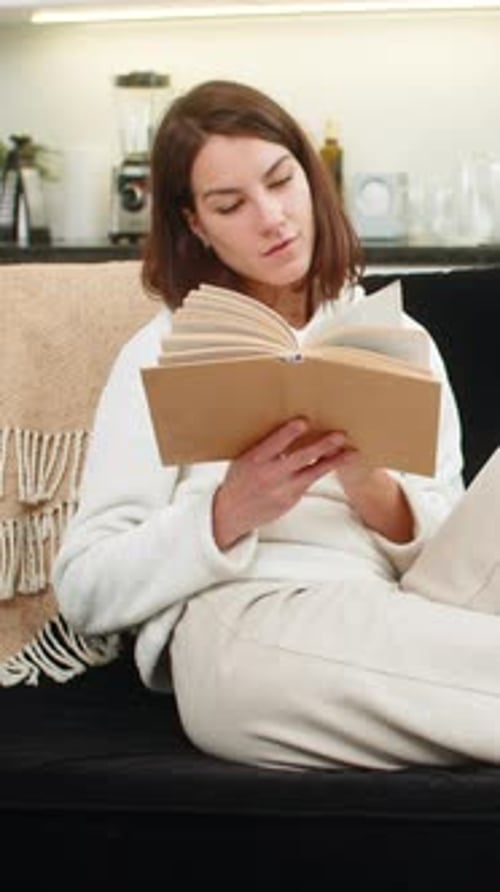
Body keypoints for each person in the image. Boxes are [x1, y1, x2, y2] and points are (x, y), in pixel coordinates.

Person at [53, 80, 500, 772]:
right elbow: (85, 588)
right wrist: (226, 512)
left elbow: (453, 557)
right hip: (248, 618)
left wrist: (372, 487)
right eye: (231, 205)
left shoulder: (398, 338)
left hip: (397, 605)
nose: (271, 217)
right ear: (196, 224)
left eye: (280, 181)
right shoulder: (162, 352)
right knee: (397, 643)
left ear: (310, 176)